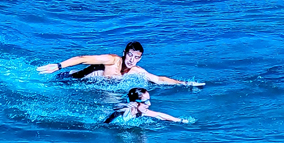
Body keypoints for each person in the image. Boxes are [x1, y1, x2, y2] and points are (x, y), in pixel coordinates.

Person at [37, 40, 203, 86]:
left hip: (87, 88)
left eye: (136, 57)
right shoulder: (112, 60)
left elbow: (159, 79)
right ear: (124, 53)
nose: (131, 60)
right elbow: (82, 58)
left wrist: (185, 83)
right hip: (68, 79)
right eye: (130, 55)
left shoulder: (136, 71)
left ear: (140, 58)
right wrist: (58, 66)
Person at [104, 87, 191, 124]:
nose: (149, 104)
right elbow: (116, 107)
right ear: (135, 102)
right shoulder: (127, 109)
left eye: (149, 100)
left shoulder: (141, 111)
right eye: (145, 102)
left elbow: (159, 115)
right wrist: (126, 105)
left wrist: (179, 120)